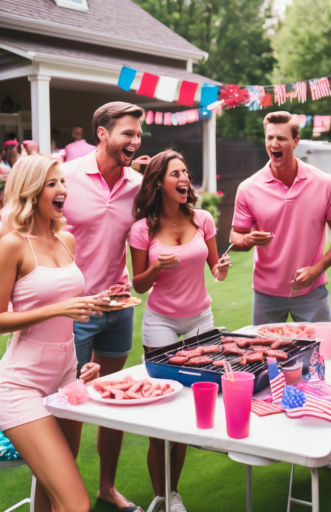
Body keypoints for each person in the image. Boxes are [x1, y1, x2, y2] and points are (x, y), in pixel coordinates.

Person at [0, 155, 106, 512]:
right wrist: (59, 309)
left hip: (66, 375)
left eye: (63, 182)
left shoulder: (67, 240)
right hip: (21, 384)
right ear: (31, 191)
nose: (62, 190)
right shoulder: (13, 244)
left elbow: (66, 307)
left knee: (52, 496)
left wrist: (84, 362)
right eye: (52, 184)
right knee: (76, 503)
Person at [130, 149, 231, 512]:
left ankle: (175, 494)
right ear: (159, 183)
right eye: (176, 174)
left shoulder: (202, 219)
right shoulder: (142, 229)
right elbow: (138, 286)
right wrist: (157, 266)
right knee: (164, 406)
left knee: (190, 402)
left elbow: (216, 271)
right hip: (161, 322)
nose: (185, 179)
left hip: (200, 319)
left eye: (186, 172)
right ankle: (164, 494)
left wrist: (222, 266)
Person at [62, 101, 144, 511]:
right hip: (74, 310)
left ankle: (106, 488)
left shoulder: (136, 184)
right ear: (102, 133)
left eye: (138, 134)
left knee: (114, 400)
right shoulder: (66, 177)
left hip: (119, 306)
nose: (134, 140)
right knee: (73, 403)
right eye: (127, 133)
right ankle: (68, 494)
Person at [229, 111, 331, 325]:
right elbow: (236, 236)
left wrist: (317, 269)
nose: (274, 143)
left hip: (312, 291)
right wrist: (247, 240)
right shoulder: (248, 188)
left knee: (321, 354)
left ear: (295, 142)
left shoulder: (324, 183)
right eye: (269, 137)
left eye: (281, 138)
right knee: (264, 356)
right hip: (266, 294)